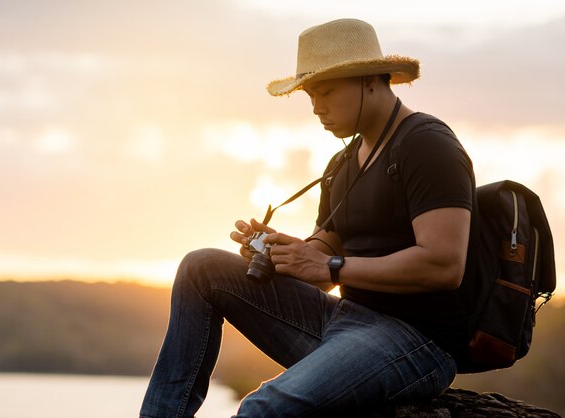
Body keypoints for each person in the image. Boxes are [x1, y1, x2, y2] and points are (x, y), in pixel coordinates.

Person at [139, 18, 478, 417]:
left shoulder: (426, 144)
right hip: (342, 322)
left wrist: (331, 267)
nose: (316, 108)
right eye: (310, 95)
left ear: (369, 80)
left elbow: (443, 264)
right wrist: (280, 251)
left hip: (415, 339)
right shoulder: (343, 162)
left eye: (326, 92)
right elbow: (322, 251)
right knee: (201, 268)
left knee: (262, 408)